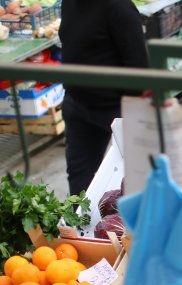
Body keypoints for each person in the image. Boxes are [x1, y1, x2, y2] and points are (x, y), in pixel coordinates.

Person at [59, 0, 148, 197]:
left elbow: (138, 64)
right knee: (80, 182)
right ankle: (79, 225)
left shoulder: (119, 8)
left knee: (131, 180)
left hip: (116, 109)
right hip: (78, 106)